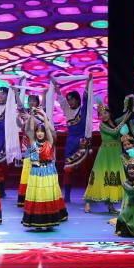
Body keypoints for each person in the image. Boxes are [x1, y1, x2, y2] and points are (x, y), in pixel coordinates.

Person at [21, 109, 67, 230]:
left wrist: (44, 115)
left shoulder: (49, 142)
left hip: (47, 172)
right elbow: (28, 130)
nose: (40, 133)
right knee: (38, 196)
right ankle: (37, 221)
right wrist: (31, 116)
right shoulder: (33, 142)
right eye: (38, 131)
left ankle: (49, 221)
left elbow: (48, 129)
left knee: (47, 195)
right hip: (36, 173)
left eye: (42, 131)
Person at [83, 99, 131, 213]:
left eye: (105, 113)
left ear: (109, 113)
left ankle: (111, 205)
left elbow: (126, 116)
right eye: (101, 114)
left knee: (113, 177)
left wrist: (130, 107)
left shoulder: (115, 122)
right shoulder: (102, 125)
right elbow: (114, 132)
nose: (103, 116)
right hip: (105, 154)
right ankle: (88, 201)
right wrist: (123, 121)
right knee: (99, 176)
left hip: (115, 153)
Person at [51, 75, 92, 204]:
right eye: (69, 100)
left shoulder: (83, 110)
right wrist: (55, 85)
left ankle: (89, 194)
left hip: (82, 143)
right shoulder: (67, 110)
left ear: (77, 100)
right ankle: (67, 196)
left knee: (85, 171)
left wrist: (88, 82)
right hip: (70, 144)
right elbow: (60, 97)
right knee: (67, 170)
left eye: (72, 99)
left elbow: (86, 97)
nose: (70, 102)